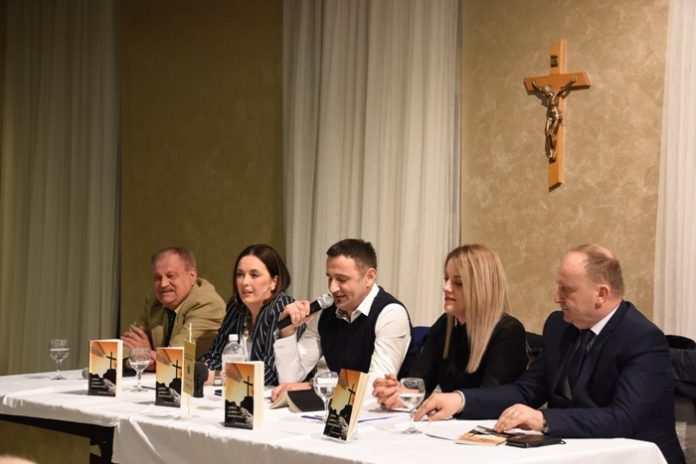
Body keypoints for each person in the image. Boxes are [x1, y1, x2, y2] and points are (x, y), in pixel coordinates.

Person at [416, 244, 685, 464]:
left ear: (601, 294)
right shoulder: (559, 327)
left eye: (566, 289)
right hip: (576, 452)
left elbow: (623, 419)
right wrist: (460, 400)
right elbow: (526, 390)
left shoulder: (642, 338)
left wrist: (542, 419)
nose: (556, 297)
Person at [372, 244, 527, 408]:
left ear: (482, 287)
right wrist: (397, 392)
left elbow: (490, 400)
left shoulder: (508, 332)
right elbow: (420, 384)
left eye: (458, 283)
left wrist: (444, 400)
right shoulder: (445, 325)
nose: (445, 287)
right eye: (446, 279)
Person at [271, 238, 413, 400]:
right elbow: (290, 382)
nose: (332, 288)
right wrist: (287, 332)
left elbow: (376, 387)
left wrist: (314, 386)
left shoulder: (391, 313)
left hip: (386, 412)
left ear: (370, 277)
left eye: (342, 279)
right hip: (340, 409)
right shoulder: (325, 314)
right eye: (330, 278)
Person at [199, 244, 299, 386]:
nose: (245, 282)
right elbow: (214, 356)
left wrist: (218, 377)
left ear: (274, 281)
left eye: (254, 275)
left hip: (275, 396)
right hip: (236, 393)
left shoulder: (282, 308)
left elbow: (271, 374)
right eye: (240, 274)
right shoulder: (236, 307)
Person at [122, 246, 225, 370]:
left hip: (199, 380)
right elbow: (125, 347)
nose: (163, 284)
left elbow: (174, 358)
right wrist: (141, 359)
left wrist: (145, 354)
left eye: (171, 276)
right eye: (157, 278)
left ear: (192, 275)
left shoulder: (208, 305)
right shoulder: (153, 300)